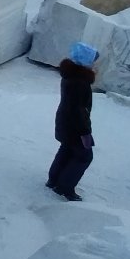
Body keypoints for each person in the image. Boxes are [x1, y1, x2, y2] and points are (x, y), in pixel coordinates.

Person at [46, 42, 99, 202]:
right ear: (85, 61)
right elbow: (79, 111)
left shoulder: (70, 75)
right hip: (75, 127)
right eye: (92, 60)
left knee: (67, 149)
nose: (94, 64)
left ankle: (53, 180)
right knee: (84, 156)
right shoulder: (80, 82)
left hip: (64, 123)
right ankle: (65, 188)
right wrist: (85, 133)